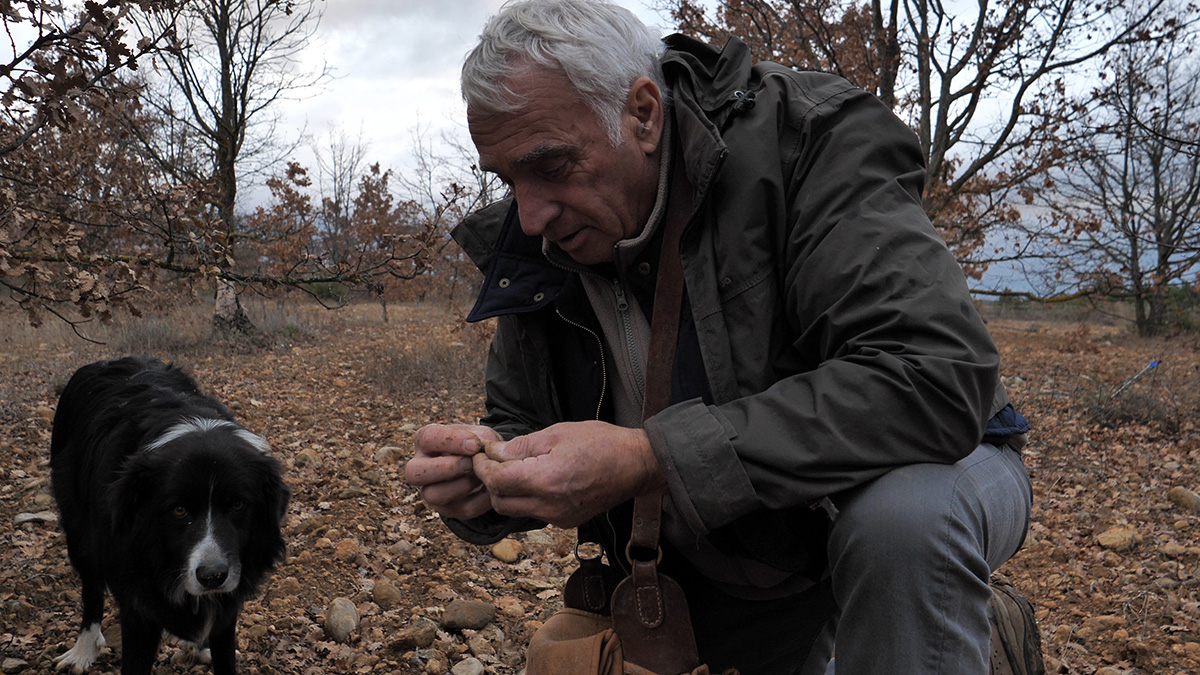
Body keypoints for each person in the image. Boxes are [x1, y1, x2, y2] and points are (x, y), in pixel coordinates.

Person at [404, 1, 1040, 673]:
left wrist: (650, 456)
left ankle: (939, 619)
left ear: (643, 114)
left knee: (904, 524)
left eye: (553, 167)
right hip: (737, 545)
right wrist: (485, 475)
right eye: (509, 180)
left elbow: (935, 377)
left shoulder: (810, 137)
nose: (530, 216)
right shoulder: (548, 233)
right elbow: (524, 418)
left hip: (941, 461)